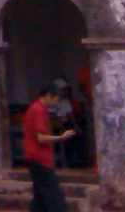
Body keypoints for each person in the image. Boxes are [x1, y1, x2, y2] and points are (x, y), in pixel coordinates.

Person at [22, 82, 77, 212]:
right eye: (56, 99)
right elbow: (41, 138)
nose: (56, 103)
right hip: (39, 159)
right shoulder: (38, 109)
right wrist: (61, 137)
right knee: (55, 197)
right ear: (48, 96)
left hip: (36, 158)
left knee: (40, 199)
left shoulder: (37, 108)